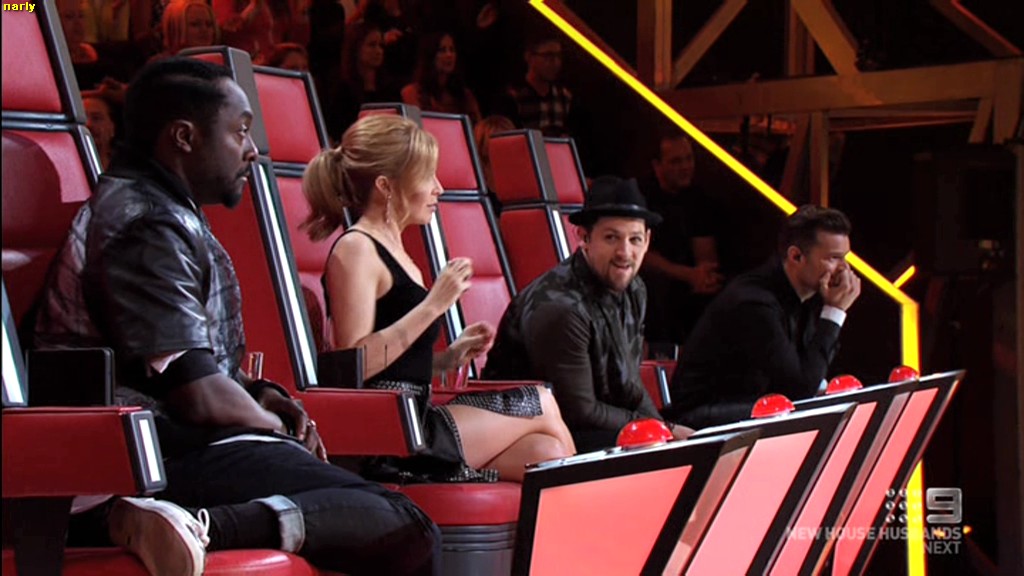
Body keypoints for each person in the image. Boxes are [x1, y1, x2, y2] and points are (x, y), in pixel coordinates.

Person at [33, 58, 439, 576]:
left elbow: (187, 366)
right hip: (138, 459)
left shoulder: (162, 209)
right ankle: (204, 527)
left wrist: (264, 394)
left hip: (169, 443)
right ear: (184, 137)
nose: (251, 150)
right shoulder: (145, 225)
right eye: (239, 131)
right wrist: (277, 430)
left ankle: (205, 525)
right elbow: (196, 394)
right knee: (402, 523)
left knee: (376, 517)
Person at [302, 114, 576, 483]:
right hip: (392, 435)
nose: (439, 188)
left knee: (546, 452)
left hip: (417, 416)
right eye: (427, 176)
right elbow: (353, 366)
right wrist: (434, 304)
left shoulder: (396, 250)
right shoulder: (356, 249)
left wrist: (447, 359)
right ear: (386, 186)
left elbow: (394, 363)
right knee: (541, 401)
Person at [483, 176, 693, 453]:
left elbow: (630, 387)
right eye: (611, 238)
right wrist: (658, 431)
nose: (625, 252)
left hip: (586, 426)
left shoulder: (635, 288)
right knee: (651, 448)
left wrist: (665, 428)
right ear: (584, 237)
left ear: (647, 241)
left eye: (635, 239)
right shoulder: (561, 308)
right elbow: (580, 411)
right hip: (528, 435)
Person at [663, 205, 862, 429]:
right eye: (834, 258)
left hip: (749, 405)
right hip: (700, 415)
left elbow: (807, 377)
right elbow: (799, 390)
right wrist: (835, 312)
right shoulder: (754, 302)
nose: (844, 269)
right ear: (796, 256)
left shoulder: (808, 296)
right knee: (792, 413)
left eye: (844, 258)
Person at [639, 132, 724, 347]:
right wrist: (688, 275)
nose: (686, 167)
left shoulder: (699, 199)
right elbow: (639, 254)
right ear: (657, 166)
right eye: (676, 161)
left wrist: (703, 277)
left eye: (689, 159)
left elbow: (706, 256)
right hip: (652, 282)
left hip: (688, 284)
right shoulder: (641, 196)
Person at [497, 33, 575, 138]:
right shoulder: (514, 96)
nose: (555, 62)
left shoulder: (564, 96)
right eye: (548, 56)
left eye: (558, 56)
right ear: (529, 57)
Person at [401, 32, 482, 122]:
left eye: (452, 50)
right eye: (442, 50)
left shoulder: (465, 95)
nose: (449, 55)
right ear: (430, 55)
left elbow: (478, 126)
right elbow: (415, 127)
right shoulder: (412, 93)